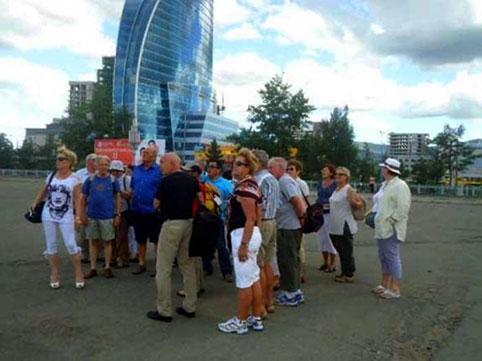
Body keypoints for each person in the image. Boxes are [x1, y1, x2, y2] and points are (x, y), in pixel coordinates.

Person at [146, 153, 201, 322]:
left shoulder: (166, 181)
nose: (161, 165)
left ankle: (164, 310)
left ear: (171, 163)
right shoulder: (191, 179)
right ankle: (190, 306)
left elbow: (156, 203)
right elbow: (199, 199)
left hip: (171, 225)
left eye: (162, 162)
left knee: (163, 268)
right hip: (189, 223)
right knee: (187, 264)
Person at [218, 148, 264, 334]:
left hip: (243, 234)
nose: (234, 167)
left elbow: (251, 217)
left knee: (244, 281)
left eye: (239, 164)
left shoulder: (244, 189)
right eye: (234, 163)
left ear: (248, 167)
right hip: (251, 233)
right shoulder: (251, 185)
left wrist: (244, 244)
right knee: (253, 278)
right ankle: (256, 317)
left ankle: (241, 321)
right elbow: (258, 214)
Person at [31, 146, 84, 289]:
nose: (58, 161)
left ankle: (79, 273)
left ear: (69, 162)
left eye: (61, 159)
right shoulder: (52, 175)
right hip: (48, 213)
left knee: (71, 245)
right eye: (57, 159)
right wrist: (35, 203)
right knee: (51, 246)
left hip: (66, 215)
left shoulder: (75, 179)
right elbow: (44, 192)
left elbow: (78, 200)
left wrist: (78, 216)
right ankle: (54, 274)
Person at [268, 157, 306, 307]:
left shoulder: (284, 181)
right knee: (288, 260)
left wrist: (301, 217)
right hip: (287, 225)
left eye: (272, 167)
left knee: (288, 260)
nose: (269, 170)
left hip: (289, 227)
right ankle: (292, 290)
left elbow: (297, 201)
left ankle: (291, 293)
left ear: (280, 168)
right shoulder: (283, 181)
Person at [372, 158, 411, 299]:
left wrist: (391, 220)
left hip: (391, 227)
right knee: (383, 256)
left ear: (388, 170)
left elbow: (403, 208)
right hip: (381, 226)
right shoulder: (385, 185)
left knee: (392, 257)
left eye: (384, 168)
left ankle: (395, 288)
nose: (382, 170)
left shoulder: (400, 186)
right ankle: (385, 284)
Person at [81, 156, 121, 279]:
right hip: (92, 215)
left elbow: (118, 198)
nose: (104, 167)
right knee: (93, 242)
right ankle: (93, 268)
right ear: (96, 166)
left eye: (106, 165)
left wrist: (118, 214)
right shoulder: (90, 180)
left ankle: (107, 267)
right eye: (101, 164)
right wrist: (82, 214)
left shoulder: (113, 180)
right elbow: (83, 197)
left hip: (107, 216)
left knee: (107, 242)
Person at [253, 149, 280, 314]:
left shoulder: (260, 180)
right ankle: (269, 301)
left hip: (262, 223)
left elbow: (259, 206)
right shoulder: (272, 179)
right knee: (268, 263)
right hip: (272, 221)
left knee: (259, 265)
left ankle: (261, 303)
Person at [130, 147, 163, 275]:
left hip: (153, 211)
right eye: (143, 153)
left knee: (156, 240)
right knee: (140, 239)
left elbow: (162, 190)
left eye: (147, 153)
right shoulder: (137, 170)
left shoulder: (159, 171)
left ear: (154, 156)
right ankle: (141, 263)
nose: (144, 154)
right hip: (138, 210)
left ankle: (158, 266)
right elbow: (133, 187)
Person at [329, 167, 362, 283]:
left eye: (340, 174)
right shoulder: (336, 189)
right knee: (340, 249)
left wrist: (352, 201)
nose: (337, 176)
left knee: (346, 249)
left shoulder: (349, 190)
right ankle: (344, 271)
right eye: (336, 174)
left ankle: (348, 273)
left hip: (344, 224)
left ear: (346, 177)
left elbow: (359, 204)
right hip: (334, 224)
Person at [203, 159, 234, 282]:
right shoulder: (204, 181)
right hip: (204, 218)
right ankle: (206, 267)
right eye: (208, 166)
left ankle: (226, 271)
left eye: (212, 166)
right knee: (205, 245)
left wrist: (227, 216)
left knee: (221, 246)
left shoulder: (226, 184)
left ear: (219, 170)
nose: (209, 169)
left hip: (218, 219)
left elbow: (230, 202)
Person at [286, 159, 309, 283]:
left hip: (298, 216)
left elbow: (303, 201)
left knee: (299, 247)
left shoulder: (301, 184)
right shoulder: (285, 182)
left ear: (298, 171)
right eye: (287, 169)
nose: (289, 171)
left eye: (292, 169)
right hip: (289, 217)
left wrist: (302, 216)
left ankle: (300, 272)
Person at [75, 153, 97, 263]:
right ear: (88, 162)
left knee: (96, 230)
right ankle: (83, 252)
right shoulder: (79, 174)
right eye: (94, 160)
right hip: (82, 205)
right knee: (82, 230)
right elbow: (74, 190)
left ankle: (98, 253)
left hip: (96, 206)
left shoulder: (101, 174)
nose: (96, 162)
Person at [316, 164, 338, 273]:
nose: (323, 172)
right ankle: (325, 262)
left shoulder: (335, 184)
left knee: (330, 238)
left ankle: (333, 263)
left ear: (331, 173)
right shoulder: (320, 184)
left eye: (325, 170)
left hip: (330, 214)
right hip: (320, 213)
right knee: (322, 239)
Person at [110, 160, 131, 268]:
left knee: (123, 236)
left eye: (118, 170)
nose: (116, 172)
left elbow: (129, 195)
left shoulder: (126, 179)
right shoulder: (109, 179)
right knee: (111, 236)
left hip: (124, 210)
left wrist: (118, 192)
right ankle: (113, 258)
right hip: (110, 211)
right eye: (113, 170)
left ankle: (124, 258)